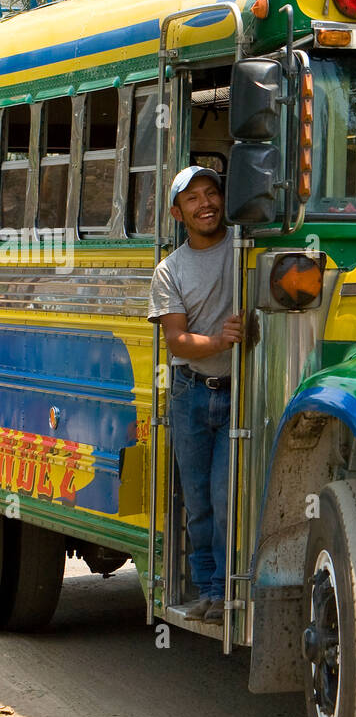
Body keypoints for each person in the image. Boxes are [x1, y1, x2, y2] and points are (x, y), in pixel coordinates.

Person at [147, 167, 243, 625]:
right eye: (193, 199)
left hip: (239, 393)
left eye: (211, 194)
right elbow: (178, 342)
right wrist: (223, 342)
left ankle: (228, 591)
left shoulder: (244, 247)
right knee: (199, 501)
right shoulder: (170, 270)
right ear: (177, 212)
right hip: (189, 393)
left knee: (227, 498)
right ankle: (209, 591)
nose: (205, 204)